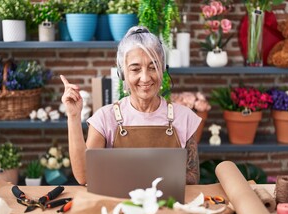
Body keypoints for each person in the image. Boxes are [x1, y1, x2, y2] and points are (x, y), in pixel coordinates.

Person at [60, 26, 201, 185]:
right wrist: (73, 116)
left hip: (168, 206)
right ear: (122, 74)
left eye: (153, 67)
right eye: (135, 69)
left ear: (162, 69)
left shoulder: (184, 117)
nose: (145, 78)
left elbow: (193, 176)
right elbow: (84, 176)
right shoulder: (105, 118)